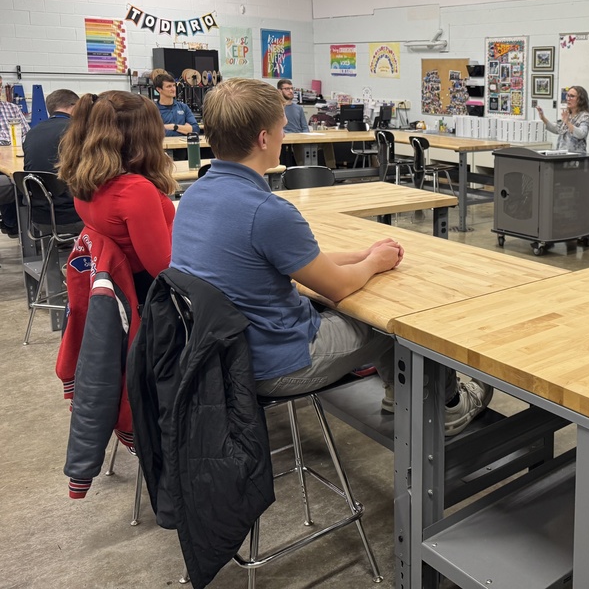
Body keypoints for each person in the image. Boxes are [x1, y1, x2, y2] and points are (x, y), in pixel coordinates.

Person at [170, 78, 491, 434]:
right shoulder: (267, 211)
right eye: (281, 128)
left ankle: (397, 394)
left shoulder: (194, 197)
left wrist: (362, 254)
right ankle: (447, 408)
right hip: (276, 364)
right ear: (264, 139)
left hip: (223, 357)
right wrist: (374, 264)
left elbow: (295, 261)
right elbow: (337, 287)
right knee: (396, 324)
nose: (284, 135)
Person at [59, 91, 178, 299]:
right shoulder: (135, 190)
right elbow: (164, 269)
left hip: (121, 288)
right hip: (149, 299)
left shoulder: (86, 180)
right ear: (145, 135)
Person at [23, 88, 81, 231]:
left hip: (39, 217)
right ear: (75, 106)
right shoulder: (76, 130)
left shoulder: (32, 132)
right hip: (73, 217)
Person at [0, 77, 31, 235]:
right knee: (9, 183)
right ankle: (11, 222)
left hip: (16, 156)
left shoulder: (12, 109)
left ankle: (20, 226)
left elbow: (27, 135)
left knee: (23, 177)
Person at [535, 85, 589, 152]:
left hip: (576, 156)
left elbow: (581, 134)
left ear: (580, 100)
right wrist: (543, 117)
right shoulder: (568, 114)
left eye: (572, 96)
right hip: (562, 154)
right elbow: (557, 129)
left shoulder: (584, 116)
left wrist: (567, 122)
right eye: (567, 95)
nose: (568, 99)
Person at [152, 69, 198, 137]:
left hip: (182, 146)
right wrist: (184, 129)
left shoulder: (183, 107)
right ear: (159, 89)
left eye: (174, 85)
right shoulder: (153, 110)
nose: (173, 89)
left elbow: (195, 129)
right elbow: (152, 132)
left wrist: (174, 127)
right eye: (169, 86)